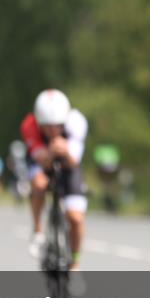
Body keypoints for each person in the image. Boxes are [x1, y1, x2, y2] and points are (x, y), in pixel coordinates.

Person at [20, 89, 89, 270]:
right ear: (38, 121)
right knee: (39, 183)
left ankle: (74, 263)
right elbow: (41, 160)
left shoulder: (76, 121)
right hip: (42, 161)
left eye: (57, 125)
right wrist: (51, 152)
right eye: (47, 126)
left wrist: (64, 151)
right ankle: (37, 230)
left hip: (69, 164)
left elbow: (74, 160)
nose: (52, 130)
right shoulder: (29, 125)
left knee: (75, 218)